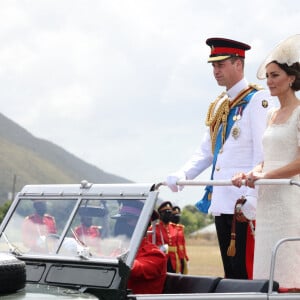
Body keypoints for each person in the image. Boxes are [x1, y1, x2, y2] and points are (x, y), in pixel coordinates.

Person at [166, 37, 273, 279]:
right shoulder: (219, 105)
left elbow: (262, 154)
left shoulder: (257, 101)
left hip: (243, 201)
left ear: (238, 64)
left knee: (247, 274)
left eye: (220, 65)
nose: (215, 71)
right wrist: (184, 175)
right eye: (213, 66)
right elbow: (207, 152)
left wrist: (253, 197)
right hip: (222, 199)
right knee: (231, 273)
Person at [232, 34, 300, 290]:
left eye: (275, 75)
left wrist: (265, 177)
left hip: (290, 199)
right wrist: (249, 173)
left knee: (290, 264)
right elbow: (265, 159)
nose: (269, 81)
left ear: (291, 78)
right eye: (268, 76)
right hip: (268, 199)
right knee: (266, 269)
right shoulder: (272, 114)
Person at [127, 210, 168, 294]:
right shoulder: (121, 249)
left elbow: (132, 269)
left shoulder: (155, 255)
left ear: (142, 226)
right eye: (119, 221)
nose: (119, 225)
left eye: (126, 220)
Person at [148, 201, 180, 273]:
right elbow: (150, 246)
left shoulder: (174, 228)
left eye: (170, 212)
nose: (168, 215)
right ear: (161, 214)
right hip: (160, 260)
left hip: (173, 261)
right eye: (166, 212)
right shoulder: (153, 228)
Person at [171, 206, 189, 274]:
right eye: (175, 215)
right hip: (174, 256)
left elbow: (183, 243)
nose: (177, 216)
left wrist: (186, 257)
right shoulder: (169, 228)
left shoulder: (180, 228)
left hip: (181, 256)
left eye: (178, 215)